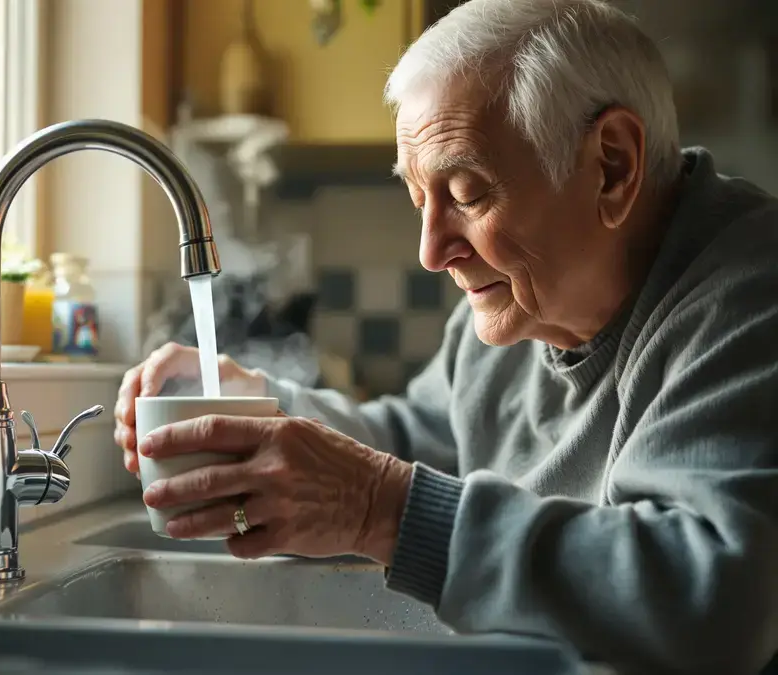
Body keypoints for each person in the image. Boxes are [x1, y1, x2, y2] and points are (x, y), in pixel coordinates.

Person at [112, 1, 778, 673]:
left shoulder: (752, 294)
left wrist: (380, 508)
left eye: (467, 193)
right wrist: (265, 412)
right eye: (420, 201)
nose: (432, 251)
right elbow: (421, 443)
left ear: (611, 166)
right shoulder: (523, 300)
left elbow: (713, 601)